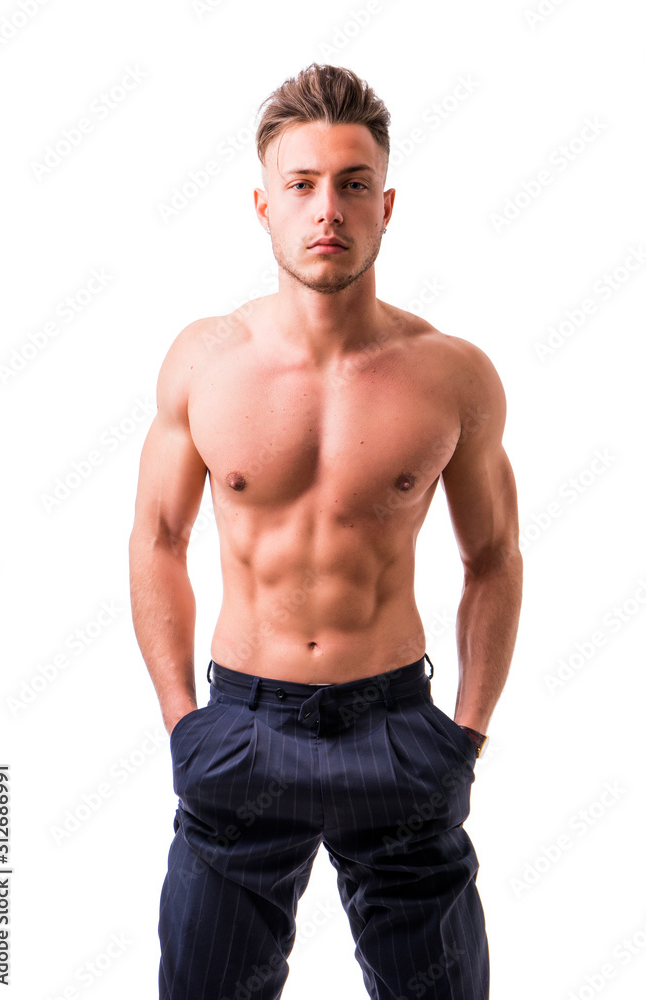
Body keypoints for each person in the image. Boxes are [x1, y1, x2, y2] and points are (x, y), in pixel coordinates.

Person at [129, 62, 522, 1000]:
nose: (327, 210)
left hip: (392, 728)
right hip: (243, 727)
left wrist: (464, 735)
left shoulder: (451, 375)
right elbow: (155, 538)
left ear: (386, 205)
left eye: (351, 185)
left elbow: (493, 557)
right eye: (301, 185)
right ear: (261, 206)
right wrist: (184, 719)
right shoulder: (206, 361)